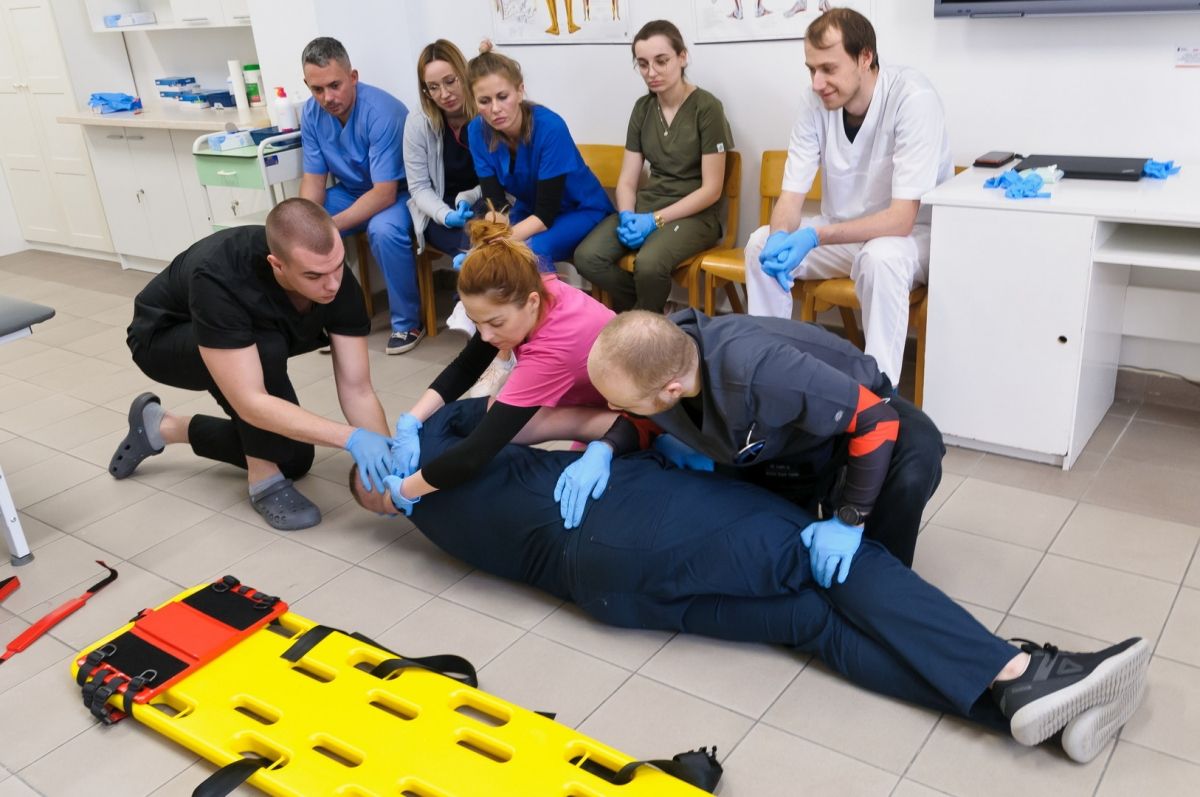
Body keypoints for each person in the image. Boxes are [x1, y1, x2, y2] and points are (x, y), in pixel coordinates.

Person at [351, 397, 1150, 767]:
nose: (380, 474)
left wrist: (592, 442)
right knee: (823, 552)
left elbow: (552, 420)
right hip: (631, 520)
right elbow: (555, 418)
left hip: (607, 597)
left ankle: (1007, 710)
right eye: (372, 479)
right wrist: (601, 445)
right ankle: (1020, 671)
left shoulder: (431, 518)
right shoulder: (443, 442)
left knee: (809, 619)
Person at [111, 199, 397, 531]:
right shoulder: (221, 276)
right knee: (265, 350)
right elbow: (251, 401)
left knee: (295, 458)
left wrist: (386, 460)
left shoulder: (332, 276)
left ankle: (161, 427)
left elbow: (357, 388)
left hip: (246, 341)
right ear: (277, 265)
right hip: (162, 342)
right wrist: (352, 438)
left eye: (337, 267)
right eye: (314, 275)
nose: (332, 284)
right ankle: (263, 480)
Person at [587, 309, 943, 575]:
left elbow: (876, 420)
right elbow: (642, 412)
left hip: (865, 414)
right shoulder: (667, 352)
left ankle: (883, 577)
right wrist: (606, 447)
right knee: (768, 556)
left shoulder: (761, 372)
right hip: (785, 438)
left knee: (911, 469)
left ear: (672, 390)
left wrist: (850, 519)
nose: (613, 408)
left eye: (619, 403)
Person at [383, 218, 638, 529]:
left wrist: (404, 491)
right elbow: (467, 365)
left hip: (638, 414)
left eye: (495, 323)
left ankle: (621, 437)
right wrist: (412, 420)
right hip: (597, 395)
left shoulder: (553, 347)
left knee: (505, 427)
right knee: (503, 416)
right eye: (476, 322)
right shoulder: (527, 288)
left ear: (531, 303)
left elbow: (475, 454)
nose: (486, 335)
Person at [743, 8, 952, 384]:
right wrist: (779, 236)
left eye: (828, 68)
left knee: (880, 258)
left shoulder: (913, 98)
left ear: (865, 57)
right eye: (811, 69)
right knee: (759, 245)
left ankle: (878, 392)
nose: (817, 82)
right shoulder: (814, 103)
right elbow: (791, 196)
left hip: (910, 237)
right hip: (841, 232)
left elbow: (901, 219)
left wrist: (813, 236)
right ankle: (769, 374)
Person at [573, 20, 733, 313]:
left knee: (648, 264)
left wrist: (655, 221)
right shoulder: (643, 108)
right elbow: (627, 180)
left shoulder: (707, 108)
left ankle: (643, 324)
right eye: (643, 64)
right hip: (648, 206)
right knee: (587, 256)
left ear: (682, 57)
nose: (651, 72)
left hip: (696, 216)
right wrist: (626, 215)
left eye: (661, 61)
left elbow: (711, 190)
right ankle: (646, 310)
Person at [298, 36, 424, 356]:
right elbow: (313, 181)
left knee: (383, 231)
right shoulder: (311, 114)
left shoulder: (382, 112)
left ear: (353, 77)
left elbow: (383, 194)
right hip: (352, 191)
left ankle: (408, 323)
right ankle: (334, 323)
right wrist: (306, 222)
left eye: (335, 85)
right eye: (317, 89)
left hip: (399, 193)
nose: (327, 98)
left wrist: (329, 226)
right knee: (301, 229)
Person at [466, 42, 613, 273]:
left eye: (502, 96)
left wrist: (503, 241)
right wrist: (489, 238)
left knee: (530, 250)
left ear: (520, 91)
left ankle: (546, 298)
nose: (495, 109)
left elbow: (545, 215)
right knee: (488, 252)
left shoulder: (550, 128)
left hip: (580, 210)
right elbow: (495, 202)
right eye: (484, 101)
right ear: (474, 101)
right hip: (530, 210)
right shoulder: (476, 131)